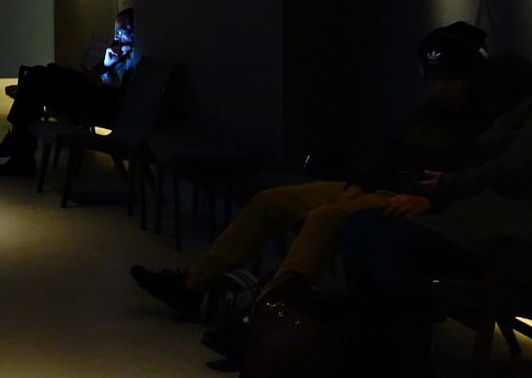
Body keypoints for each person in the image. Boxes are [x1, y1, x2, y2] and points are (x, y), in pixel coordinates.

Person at [130, 22, 532, 318]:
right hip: (378, 186)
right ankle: (193, 285)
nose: (443, 87)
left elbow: (478, 180)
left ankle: (271, 314)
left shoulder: (491, 123)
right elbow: (389, 153)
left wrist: (430, 198)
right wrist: (359, 181)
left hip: (412, 200)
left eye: (452, 79)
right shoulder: (430, 111)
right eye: (437, 79)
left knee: (325, 220)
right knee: (271, 201)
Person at [340, 92, 532, 378]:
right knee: (359, 225)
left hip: (509, 234)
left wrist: (449, 185)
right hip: (481, 213)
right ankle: (372, 360)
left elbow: (514, 166)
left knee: (393, 241)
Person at [0, 8, 138, 177]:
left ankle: (19, 146)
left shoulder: (137, 57)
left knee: (38, 77)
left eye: (121, 32)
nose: (116, 37)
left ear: (134, 32)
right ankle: (20, 148)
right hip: (90, 95)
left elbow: (115, 89)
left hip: (98, 103)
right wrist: (106, 64)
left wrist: (101, 72)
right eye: (115, 31)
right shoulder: (119, 53)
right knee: (37, 76)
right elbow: (97, 75)